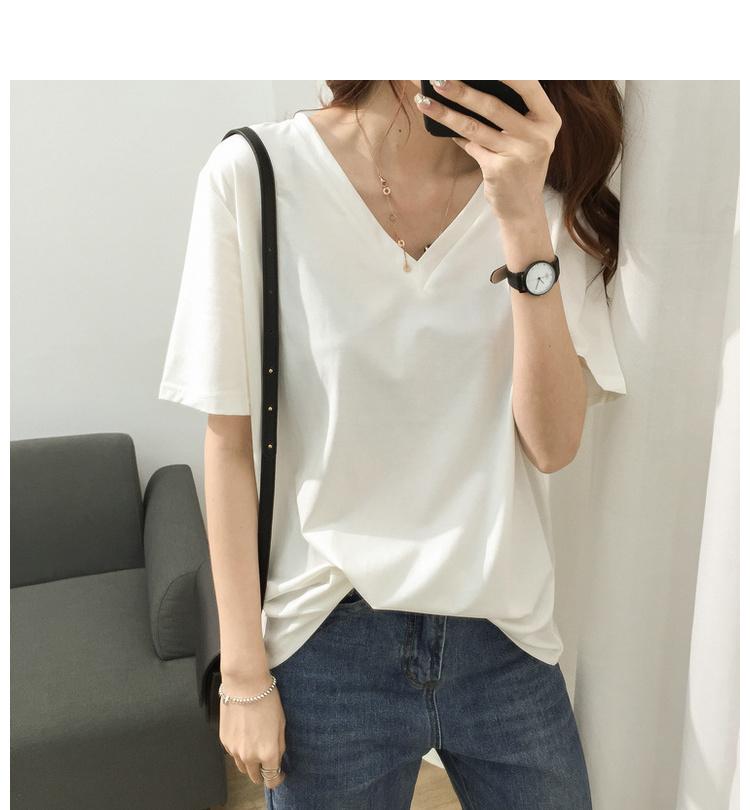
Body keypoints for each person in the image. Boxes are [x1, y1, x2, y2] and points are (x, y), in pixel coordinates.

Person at [158, 79, 627, 809]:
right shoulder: (256, 176)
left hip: (503, 632)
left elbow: (553, 445)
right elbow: (229, 444)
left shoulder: (537, 187)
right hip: (328, 639)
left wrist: (523, 223)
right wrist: (243, 674)